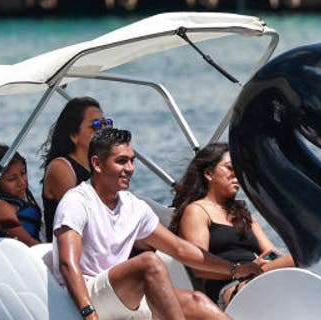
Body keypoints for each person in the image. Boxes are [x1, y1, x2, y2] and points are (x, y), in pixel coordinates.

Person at [50, 127, 260, 320]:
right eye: (121, 161)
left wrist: (234, 269)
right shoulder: (77, 201)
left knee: (197, 303)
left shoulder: (132, 206)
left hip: (121, 295)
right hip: (84, 295)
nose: (130, 168)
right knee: (149, 262)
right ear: (97, 164)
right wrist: (88, 312)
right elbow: (68, 264)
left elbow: (180, 249)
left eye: (132, 161)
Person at [170, 143, 292, 307]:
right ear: (208, 173)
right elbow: (199, 267)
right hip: (228, 288)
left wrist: (272, 262)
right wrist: (241, 269)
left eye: (239, 170)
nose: (237, 175)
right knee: (308, 257)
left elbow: (272, 252)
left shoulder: (242, 213)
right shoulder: (197, 211)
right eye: (229, 168)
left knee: (306, 258)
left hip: (256, 276)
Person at [41, 96, 107, 239]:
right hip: (72, 251)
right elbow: (83, 219)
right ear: (73, 135)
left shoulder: (99, 166)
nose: (103, 129)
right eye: (95, 125)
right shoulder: (61, 168)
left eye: (105, 123)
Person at [0, 143, 43, 246]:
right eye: (12, 179)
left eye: (23, 173)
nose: (21, 183)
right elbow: (29, 243)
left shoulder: (17, 202)